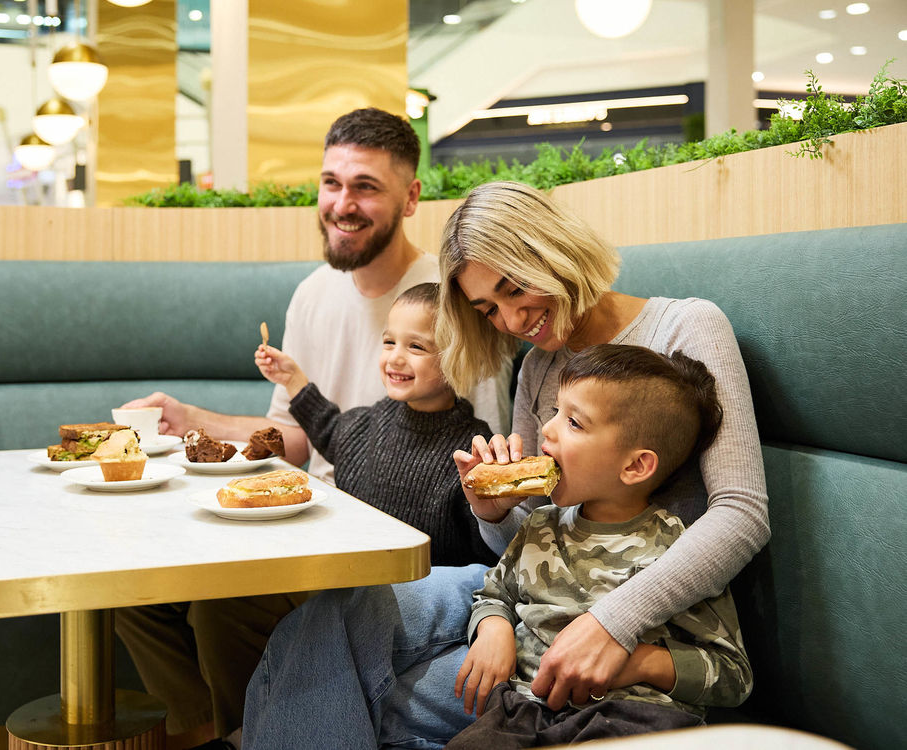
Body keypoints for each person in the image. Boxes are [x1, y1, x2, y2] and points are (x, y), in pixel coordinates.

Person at [241, 181, 769, 750]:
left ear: (554, 250)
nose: (513, 321)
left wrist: (613, 622)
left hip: (631, 598)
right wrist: (492, 514)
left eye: (515, 288)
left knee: (360, 700)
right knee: (324, 618)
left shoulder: (686, 327)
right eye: (488, 308)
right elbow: (531, 538)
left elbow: (742, 513)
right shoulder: (538, 368)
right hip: (527, 586)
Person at [114, 109, 511, 750]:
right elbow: (292, 439)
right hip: (311, 523)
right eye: (331, 183)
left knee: (222, 598)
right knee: (134, 583)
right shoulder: (313, 293)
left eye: (365, 187)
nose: (342, 204)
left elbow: (481, 456)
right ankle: (206, 734)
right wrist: (192, 420)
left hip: (385, 556)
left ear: (410, 198)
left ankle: (257, 732)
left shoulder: (454, 299)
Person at [446, 344, 751, 749]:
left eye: (574, 422)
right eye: (554, 410)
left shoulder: (676, 549)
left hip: (635, 717)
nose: (547, 430)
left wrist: (643, 661)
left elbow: (733, 675)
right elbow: (494, 593)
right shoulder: (539, 525)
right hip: (524, 709)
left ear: (634, 466)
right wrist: (493, 626)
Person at [255, 282, 495, 567]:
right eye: (389, 342)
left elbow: (488, 554)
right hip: (345, 574)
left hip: (419, 592)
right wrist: (293, 379)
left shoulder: (474, 450)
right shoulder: (373, 421)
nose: (394, 357)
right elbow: (329, 430)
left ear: (457, 357)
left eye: (416, 346)